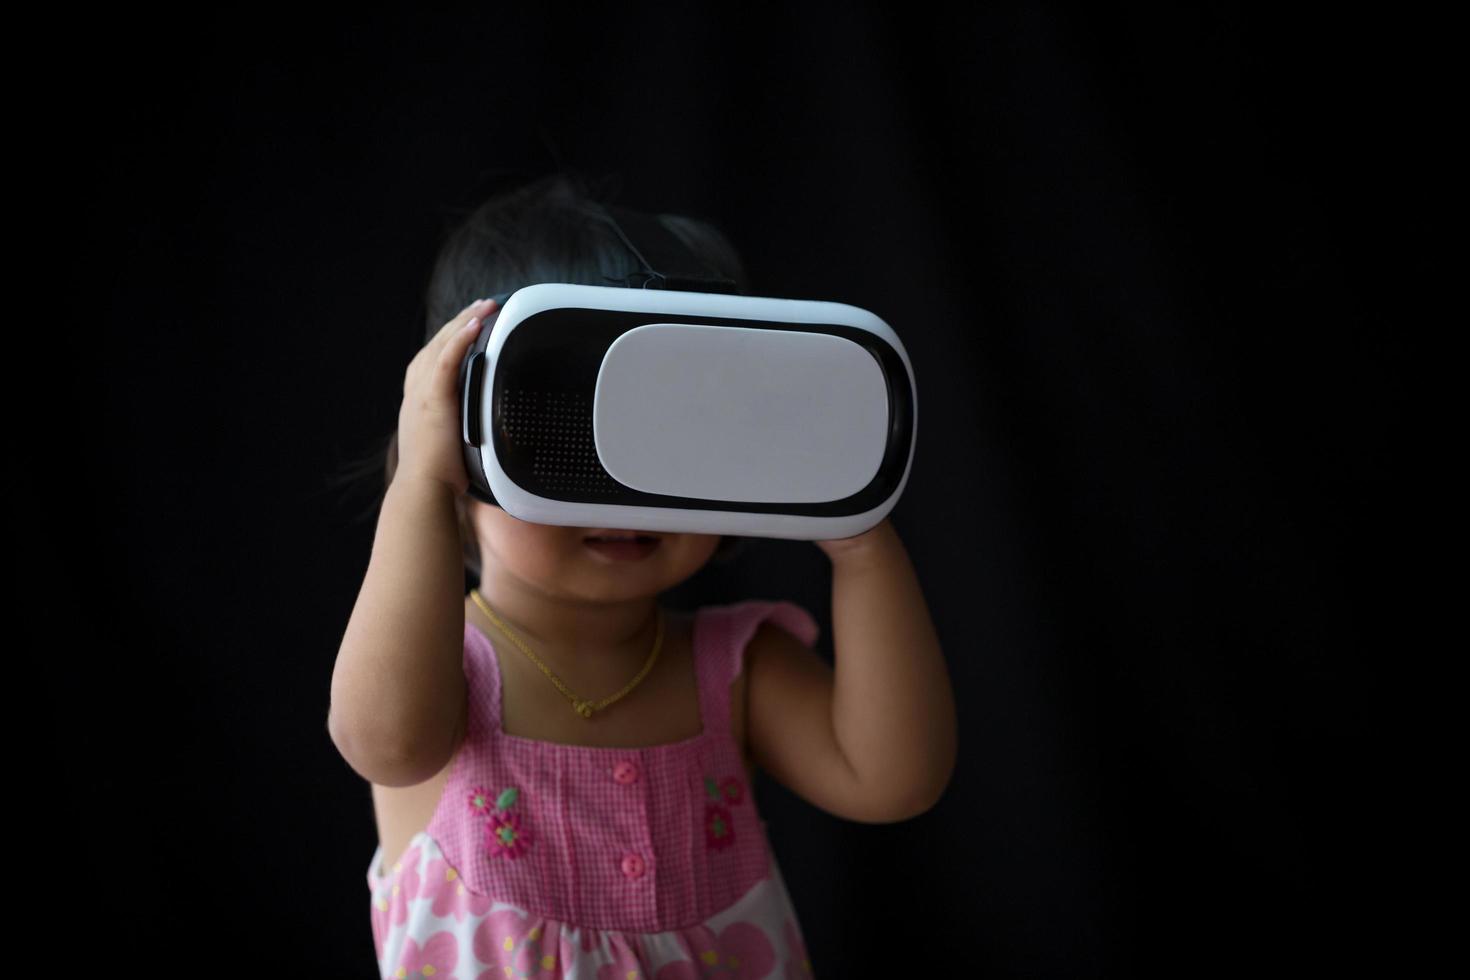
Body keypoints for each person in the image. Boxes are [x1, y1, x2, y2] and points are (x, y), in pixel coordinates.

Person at [328, 170, 957, 978]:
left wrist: (860, 541)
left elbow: (894, 778)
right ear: (458, 440)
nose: (625, 490)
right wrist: (418, 484)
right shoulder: (441, 672)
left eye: (680, 432)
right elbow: (383, 741)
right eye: (566, 430)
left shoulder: (733, 668)